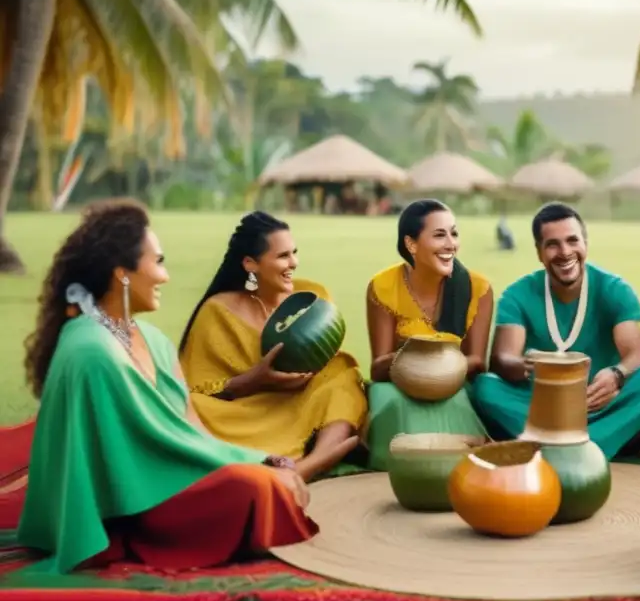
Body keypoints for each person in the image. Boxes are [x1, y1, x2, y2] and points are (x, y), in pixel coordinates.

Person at [16, 200, 316, 575]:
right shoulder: (92, 350)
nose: (166, 276)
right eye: (157, 262)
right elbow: (139, 450)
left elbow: (192, 429)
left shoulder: (153, 340)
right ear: (123, 274)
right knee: (257, 489)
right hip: (132, 506)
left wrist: (260, 459)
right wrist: (254, 472)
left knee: (264, 480)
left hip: (169, 479)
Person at [472, 203, 640, 459]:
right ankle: (591, 446)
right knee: (485, 387)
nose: (565, 252)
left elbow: (635, 353)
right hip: (541, 405)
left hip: (600, 402)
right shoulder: (518, 294)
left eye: (572, 241)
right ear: (539, 252)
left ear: (585, 244)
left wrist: (617, 374)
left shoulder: (613, 288)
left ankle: (568, 444)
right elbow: (502, 358)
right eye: (552, 244)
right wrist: (528, 365)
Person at [178, 211, 367, 481]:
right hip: (245, 409)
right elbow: (197, 388)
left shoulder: (313, 298)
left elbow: (324, 363)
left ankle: (312, 463)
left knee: (343, 372)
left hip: (298, 402)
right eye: (282, 256)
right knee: (190, 406)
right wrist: (257, 380)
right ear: (250, 264)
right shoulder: (217, 310)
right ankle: (288, 459)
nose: (294, 263)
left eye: (294, 253)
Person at [363, 199, 493, 470]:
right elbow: (377, 369)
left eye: (453, 233)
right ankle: (400, 471)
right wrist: (415, 363)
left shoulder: (477, 289)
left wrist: (440, 369)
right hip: (399, 384)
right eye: (439, 235)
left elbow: (478, 361)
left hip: (455, 384)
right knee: (391, 404)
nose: (451, 244)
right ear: (411, 245)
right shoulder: (384, 287)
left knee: (460, 405)